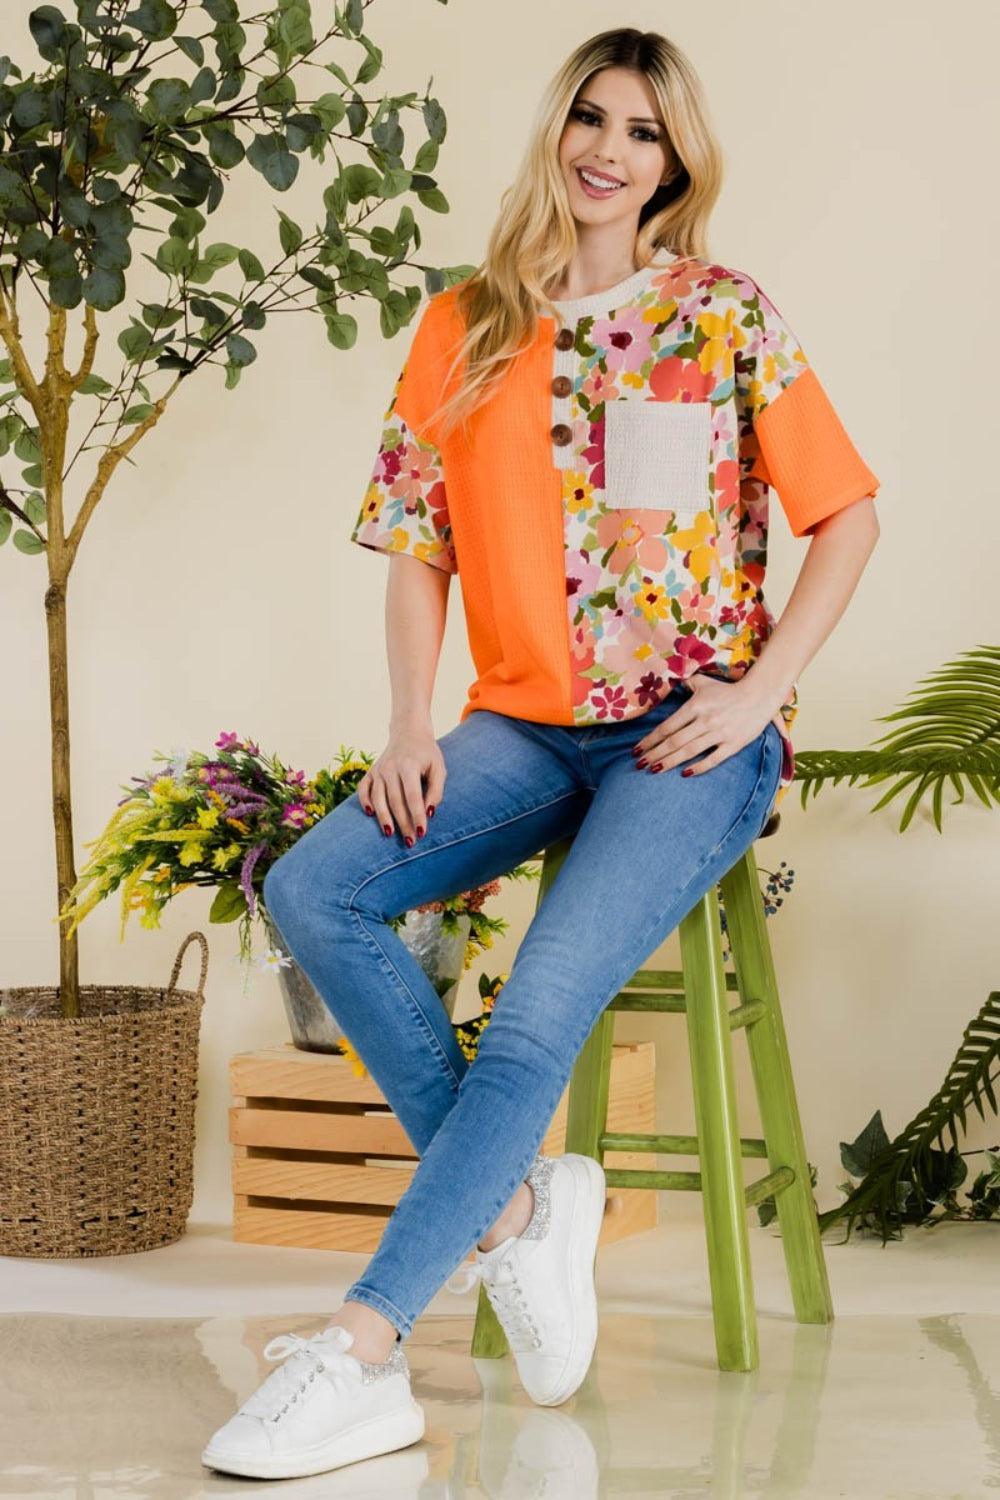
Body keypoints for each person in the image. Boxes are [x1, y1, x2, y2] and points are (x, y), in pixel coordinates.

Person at [201, 24, 880, 1481]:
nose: (608, 150)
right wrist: (405, 722)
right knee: (317, 892)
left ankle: (365, 1346)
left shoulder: (723, 315)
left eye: (641, 130)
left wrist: (761, 694)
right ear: (555, 132)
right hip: (519, 724)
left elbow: (847, 519)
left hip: (683, 742)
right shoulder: (465, 322)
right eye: (590, 118)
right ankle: (520, 1211)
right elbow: (415, 546)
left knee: (525, 1029)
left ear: (674, 160)